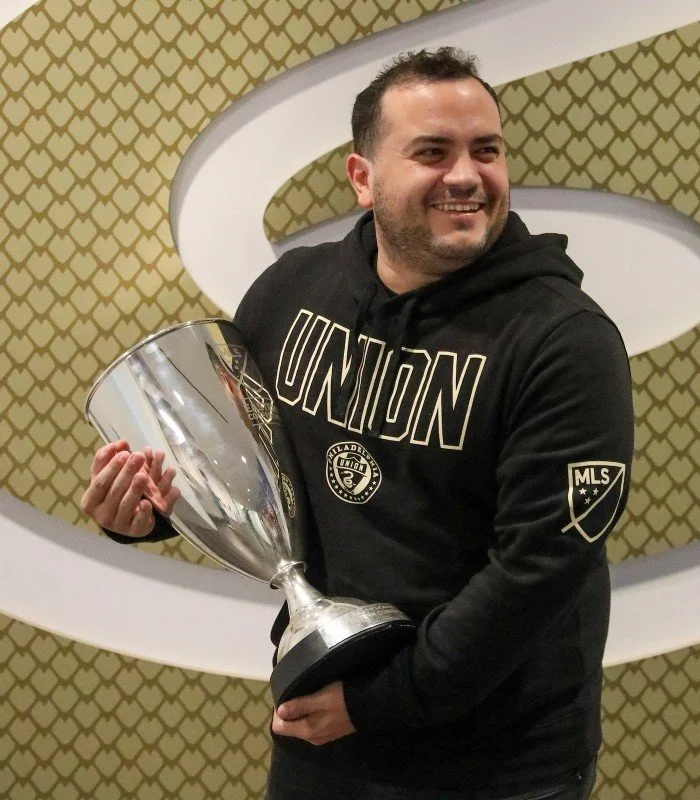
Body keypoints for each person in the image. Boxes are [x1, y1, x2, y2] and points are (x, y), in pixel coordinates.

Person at [81, 48, 634, 800]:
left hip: (498, 764)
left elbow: (536, 572)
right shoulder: (290, 294)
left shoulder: (564, 341)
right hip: (323, 731)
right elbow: (250, 473)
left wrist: (379, 703)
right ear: (363, 178)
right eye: (432, 153)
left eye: (487, 150)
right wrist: (151, 511)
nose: (468, 175)